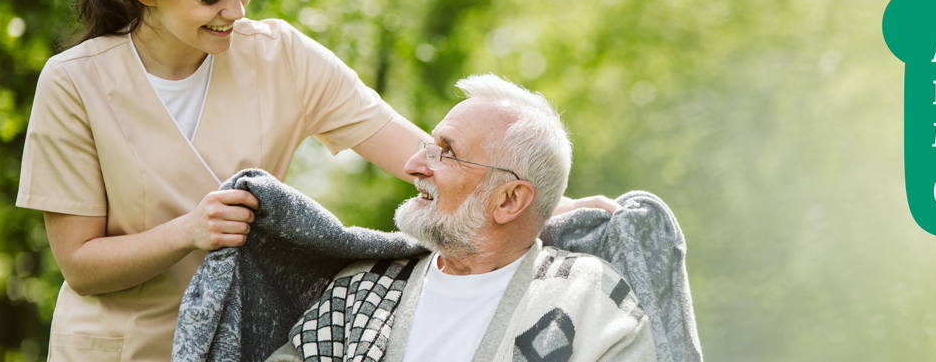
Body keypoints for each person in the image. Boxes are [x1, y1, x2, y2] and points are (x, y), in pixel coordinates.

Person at [14, 0, 614, 361]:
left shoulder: (283, 58)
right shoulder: (74, 83)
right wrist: (189, 231)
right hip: (117, 349)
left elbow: (425, 158)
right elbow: (81, 266)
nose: (236, 10)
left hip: (246, 342)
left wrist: (545, 203)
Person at [266, 74, 656, 362]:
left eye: (446, 152)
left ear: (508, 200)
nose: (413, 164)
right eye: (427, 146)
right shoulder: (360, 288)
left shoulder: (594, 301)